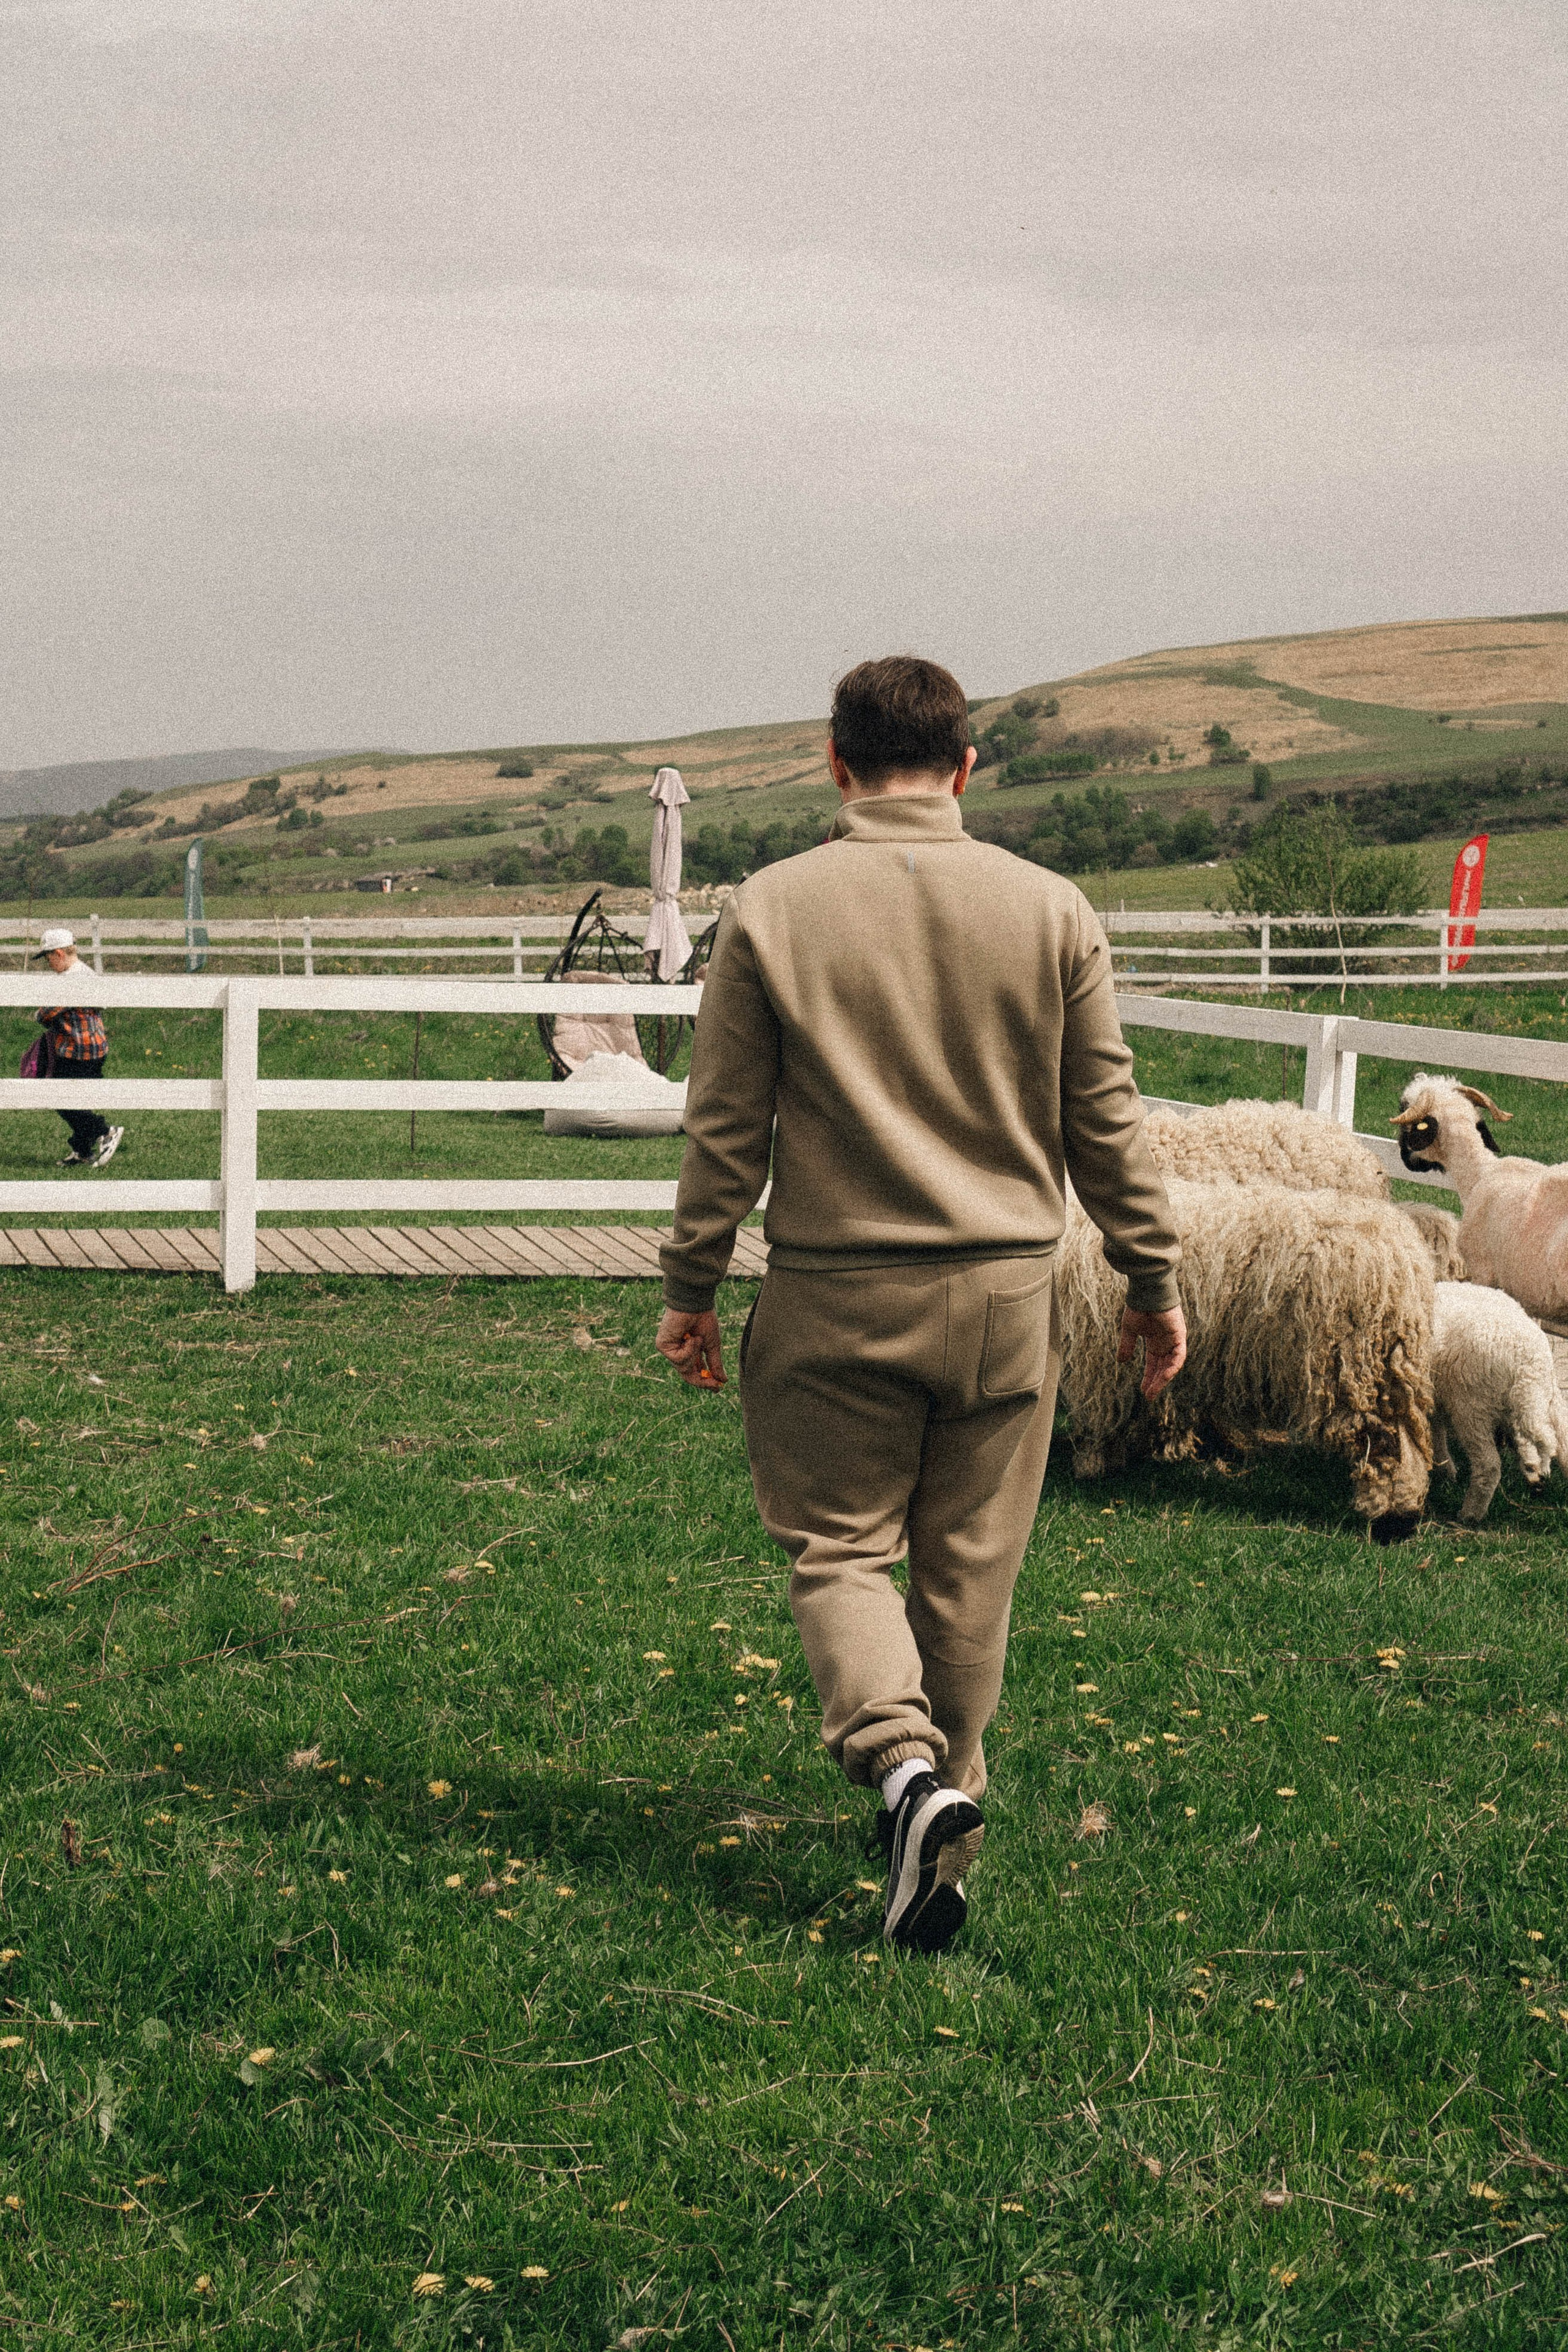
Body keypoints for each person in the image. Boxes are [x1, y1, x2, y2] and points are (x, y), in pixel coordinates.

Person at [655, 655, 1185, 1954]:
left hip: (836, 1295)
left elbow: (725, 1128)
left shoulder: (772, 909)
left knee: (839, 1550)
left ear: (834, 762)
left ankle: (903, 1778)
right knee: (968, 1577)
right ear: (961, 767)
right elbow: (1104, 1122)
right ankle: (949, 1793)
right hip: (1010, 1296)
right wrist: (1151, 1277)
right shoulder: (1052, 909)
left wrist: (689, 1285)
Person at [31, 927, 124, 1168]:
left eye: (49, 958)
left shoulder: (69, 982)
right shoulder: (86, 972)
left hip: (76, 1051)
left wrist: (40, 1014)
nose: (48, 963)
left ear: (59, 953)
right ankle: (82, 1151)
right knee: (78, 1099)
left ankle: (104, 1131)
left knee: (61, 1098)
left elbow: (45, 1014)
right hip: (95, 1049)